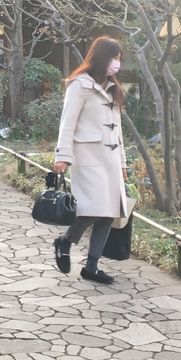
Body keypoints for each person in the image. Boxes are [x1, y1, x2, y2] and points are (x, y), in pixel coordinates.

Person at [51, 36, 129, 285]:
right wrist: (62, 156)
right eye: (113, 57)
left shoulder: (113, 88)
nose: (116, 63)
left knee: (108, 213)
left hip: (110, 159)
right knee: (90, 209)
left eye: (118, 59)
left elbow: (117, 130)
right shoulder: (79, 85)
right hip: (88, 157)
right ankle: (65, 241)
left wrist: (123, 163)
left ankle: (91, 267)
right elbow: (68, 122)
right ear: (101, 58)